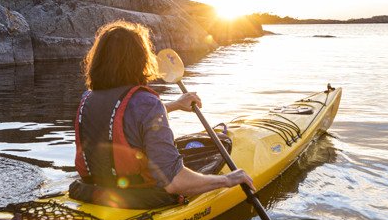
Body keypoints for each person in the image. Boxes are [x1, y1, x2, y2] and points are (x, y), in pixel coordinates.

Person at [70, 20, 254, 209]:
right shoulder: (147, 103)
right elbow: (174, 182)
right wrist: (227, 179)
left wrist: (174, 105)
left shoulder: (88, 98)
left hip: (91, 191)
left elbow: (124, 119)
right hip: (139, 200)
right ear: (141, 59)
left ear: (98, 59)